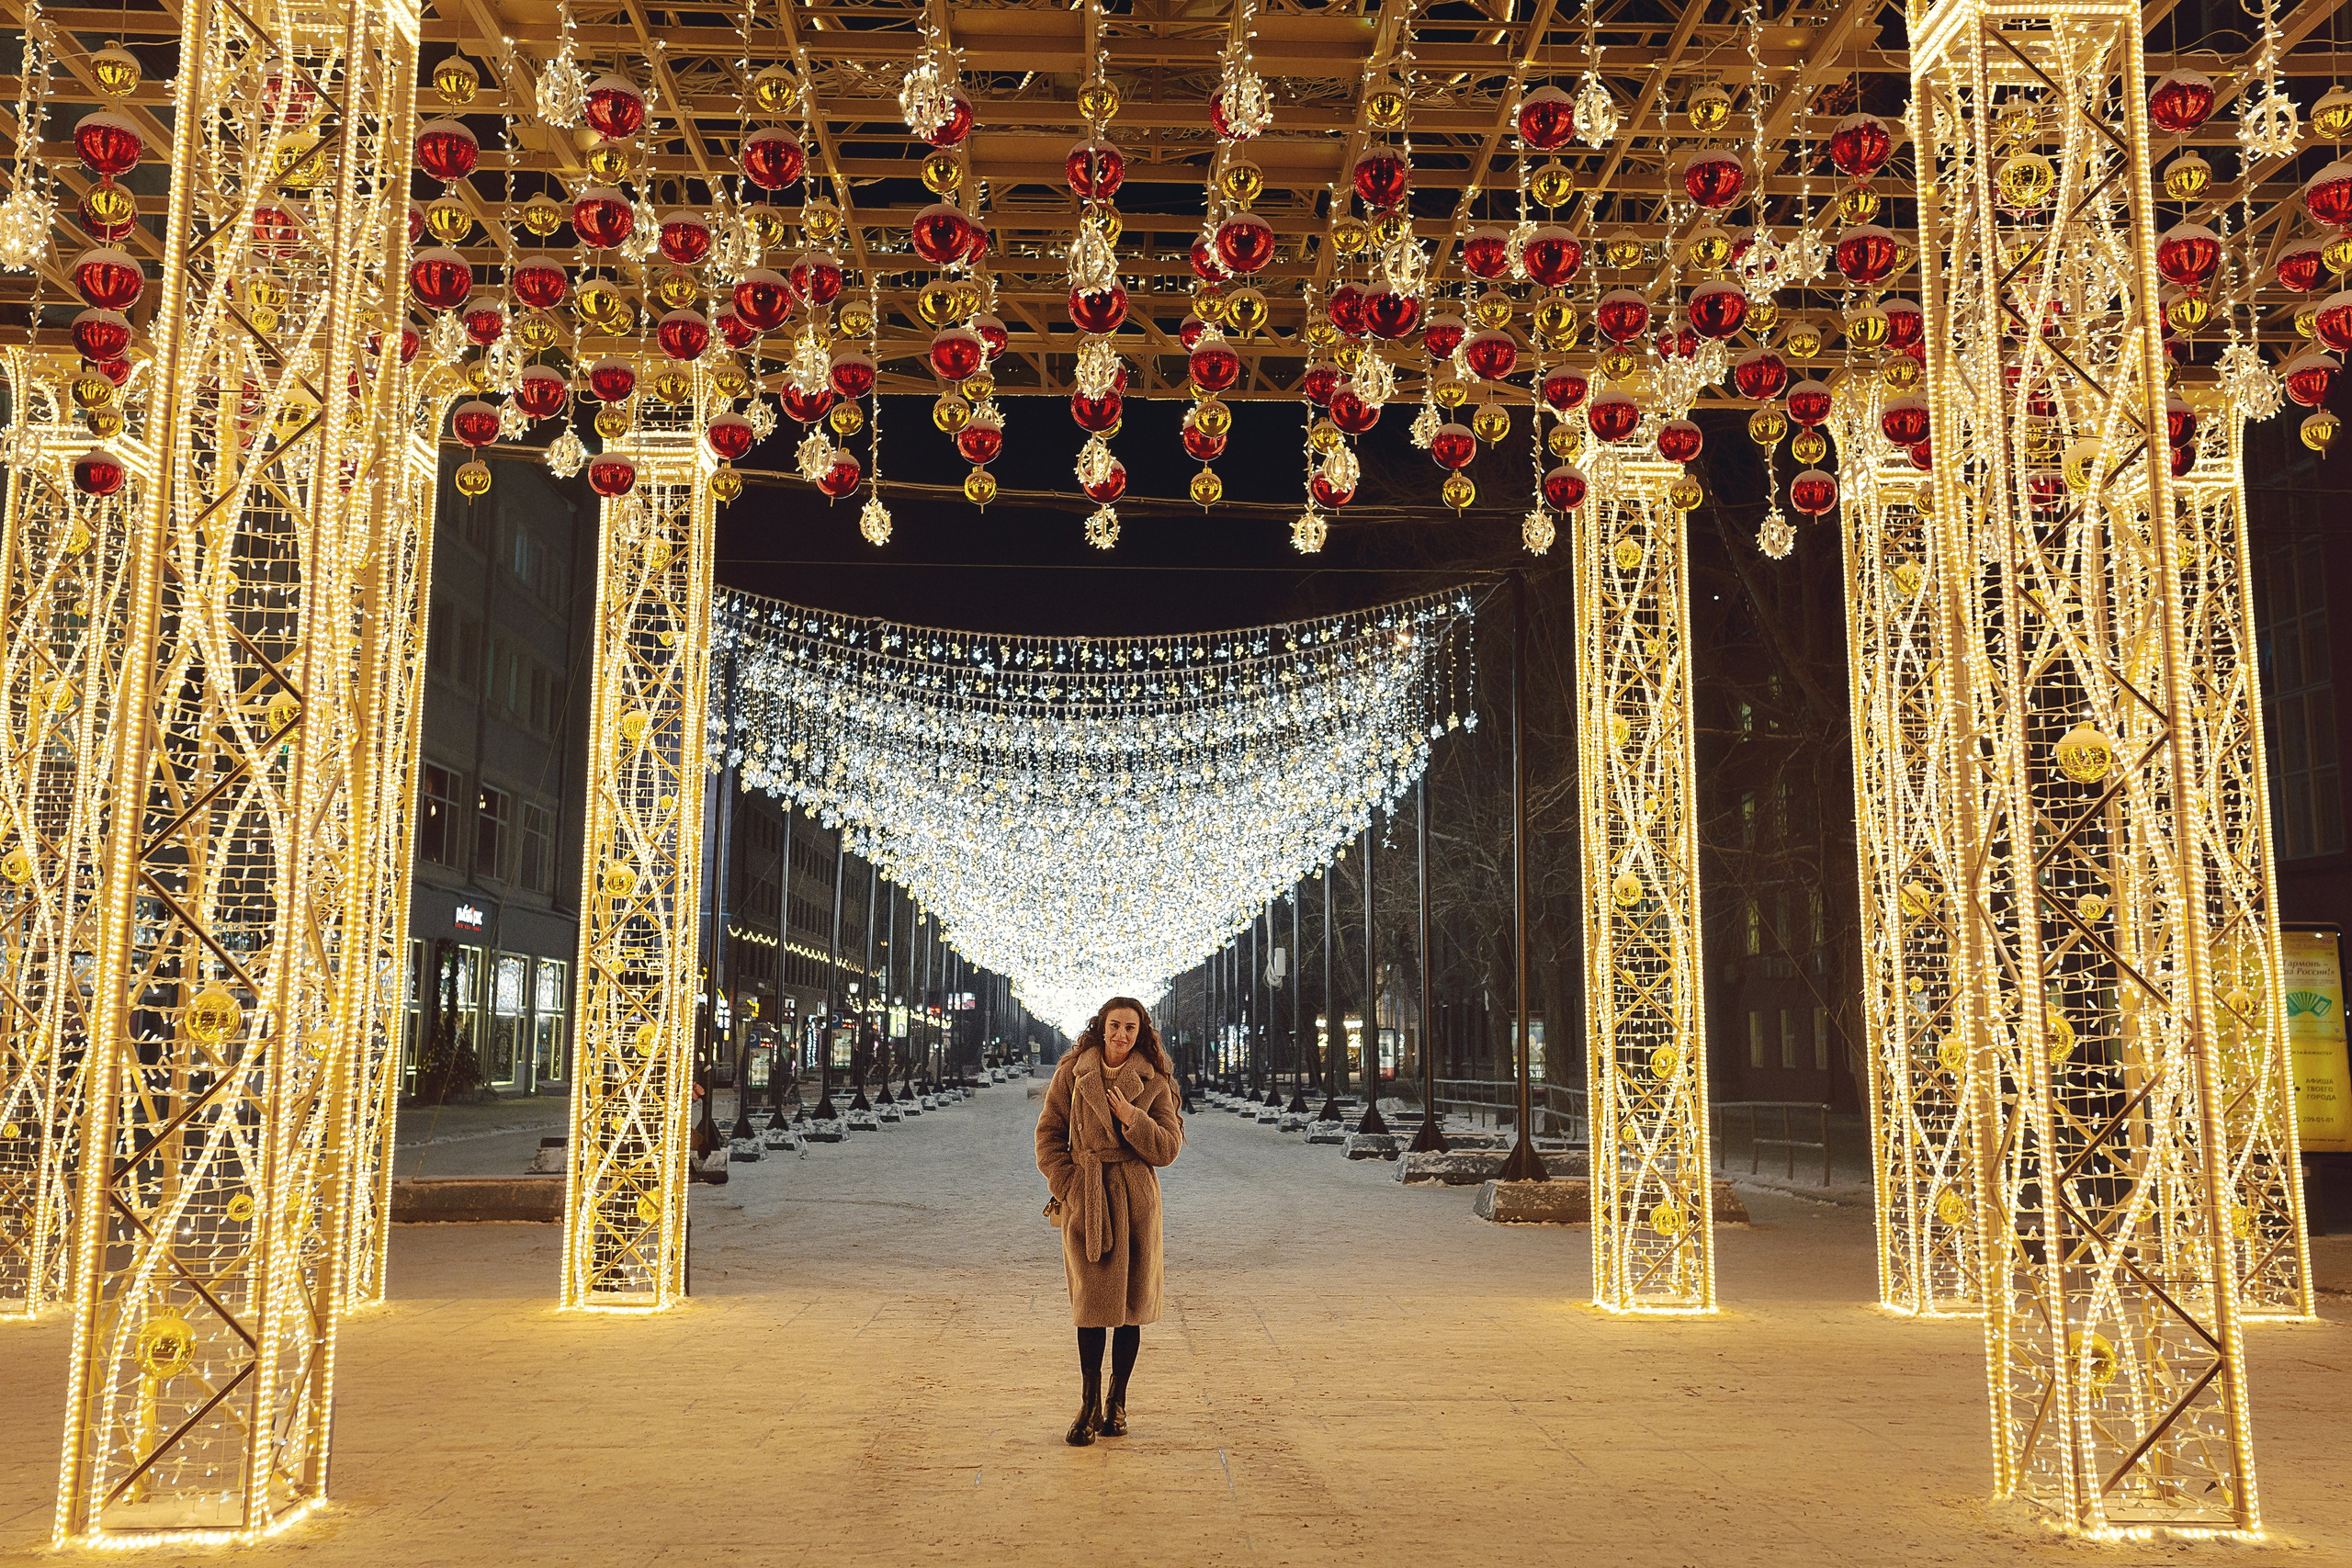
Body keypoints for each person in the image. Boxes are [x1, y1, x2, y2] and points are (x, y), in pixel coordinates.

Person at [1034, 995, 1184, 1446]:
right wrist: (1071, 1186)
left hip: (1136, 1202)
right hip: (1090, 1200)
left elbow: (1168, 1148)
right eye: (1115, 1025)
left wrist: (1133, 1118)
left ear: (1141, 1033)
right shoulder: (1073, 1073)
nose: (1121, 1035)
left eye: (1130, 1028)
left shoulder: (1154, 1079)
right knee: (1091, 1308)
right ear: (1102, 1027)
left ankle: (1117, 1403)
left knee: (1130, 1309)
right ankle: (1088, 1404)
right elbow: (1048, 1135)